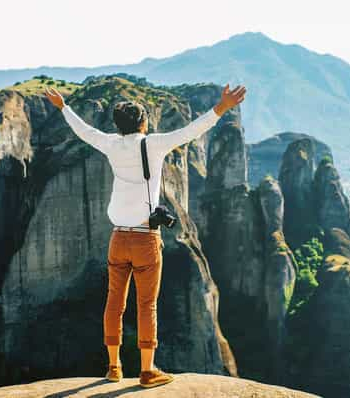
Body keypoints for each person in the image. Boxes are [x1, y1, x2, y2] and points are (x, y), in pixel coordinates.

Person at [43, 83, 246, 388]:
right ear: (143, 122)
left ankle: (113, 367)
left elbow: (84, 131)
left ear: (118, 125)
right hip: (145, 240)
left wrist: (63, 107)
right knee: (146, 305)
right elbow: (192, 130)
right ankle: (148, 371)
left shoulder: (111, 144)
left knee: (114, 302)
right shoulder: (155, 144)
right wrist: (222, 107)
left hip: (118, 238)